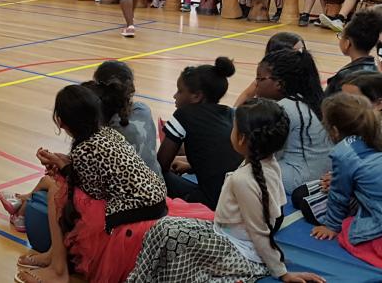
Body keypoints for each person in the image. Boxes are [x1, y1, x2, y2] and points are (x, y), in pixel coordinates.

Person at [128, 98, 326, 283]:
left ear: (241, 139)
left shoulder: (245, 179)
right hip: (230, 236)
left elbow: (259, 232)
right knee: (164, 228)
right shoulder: (267, 162)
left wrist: (281, 272)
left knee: (170, 236)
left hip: (240, 252)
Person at [14, 84, 170, 283]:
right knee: (58, 183)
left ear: (62, 123)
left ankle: (58, 270)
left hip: (136, 209)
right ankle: (53, 255)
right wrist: (64, 163)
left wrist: (62, 168)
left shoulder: (84, 148)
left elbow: (91, 191)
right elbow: (97, 171)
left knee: (57, 190)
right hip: (153, 197)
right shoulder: (106, 133)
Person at [307, 92, 382, 268]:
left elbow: (339, 195)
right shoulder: (375, 136)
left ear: (334, 130)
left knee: (349, 228)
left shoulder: (344, 152)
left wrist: (331, 226)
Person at [158, 57, 243, 209]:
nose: (175, 96)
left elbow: (161, 164)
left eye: (180, 91)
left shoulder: (184, 114)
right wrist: (190, 166)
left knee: (154, 175)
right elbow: (221, 157)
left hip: (215, 205)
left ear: (196, 96)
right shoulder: (230, 113)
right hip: (239, 200)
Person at [255, 49, 332, 193]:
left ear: (279, 83)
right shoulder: (314, 100)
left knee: (244, 173)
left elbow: (267, 152)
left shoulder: (283, 108)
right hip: (323, 173)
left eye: (260, 79)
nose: (256, 84)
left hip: (298, 179)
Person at [324, 9, 382, 95]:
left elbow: (326, 103)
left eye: (341, 35)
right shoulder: (377, 72)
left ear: (348, 43)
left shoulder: (343, 76)